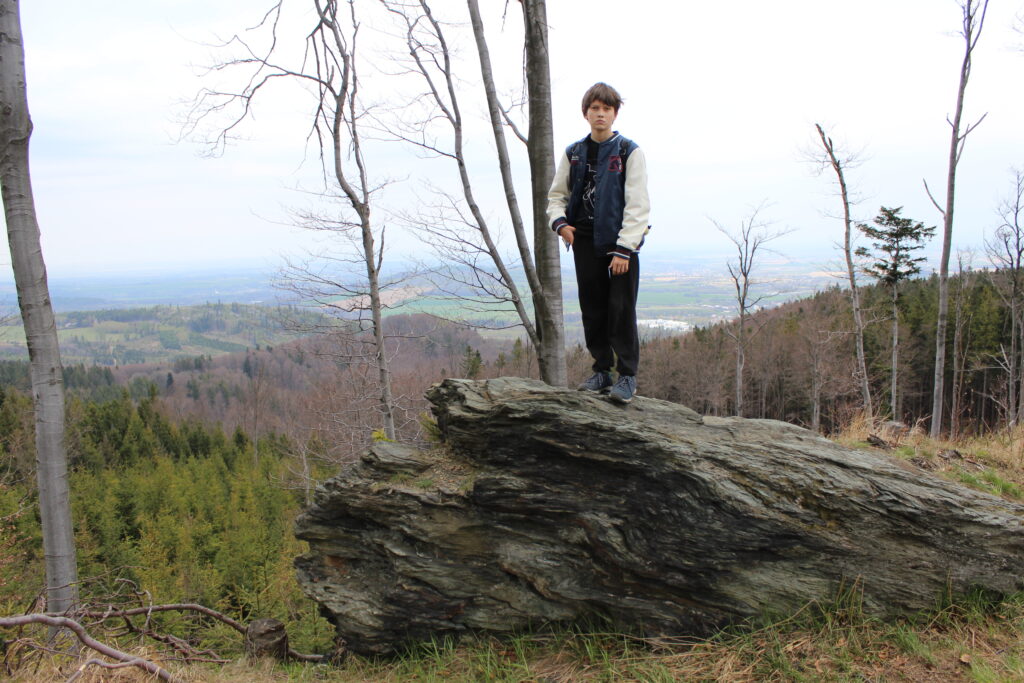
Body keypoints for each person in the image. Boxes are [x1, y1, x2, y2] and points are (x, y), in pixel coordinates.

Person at [547, 82, 651, 404]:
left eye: (607, 109)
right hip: (584, 240)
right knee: (592, 309)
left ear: (615, 113)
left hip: (620, 243)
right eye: (595, 108)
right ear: (586, 113)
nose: (600, 114)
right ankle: (601, 371)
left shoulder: (628, 151)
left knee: (621, 309)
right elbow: (556, 196)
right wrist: (561, 224)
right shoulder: (574, 153)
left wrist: (624, 249)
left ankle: (627, 377)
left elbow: (638, 204)